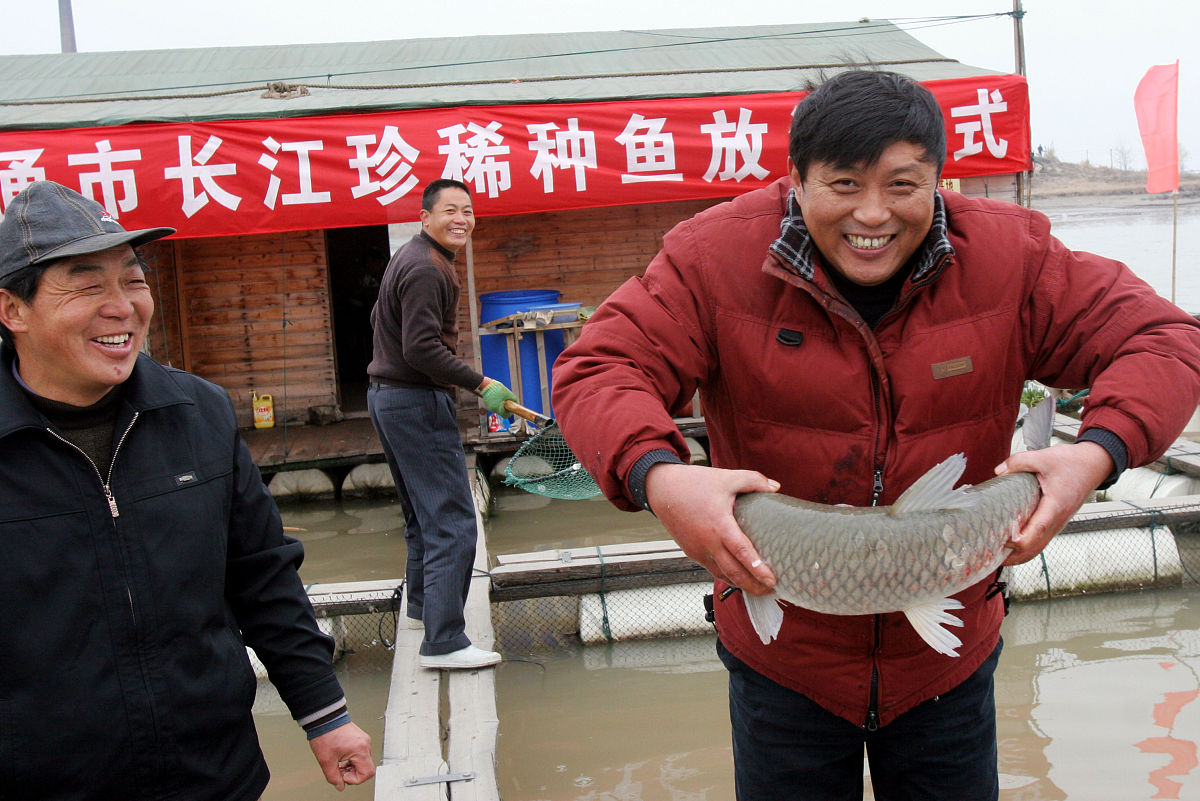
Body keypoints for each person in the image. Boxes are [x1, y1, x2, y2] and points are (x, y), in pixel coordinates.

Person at [551, 70, 1200, 800]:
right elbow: (599, 368)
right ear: (796, 178)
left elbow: (1167, 339)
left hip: (949, 657)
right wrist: (659, 475)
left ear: (938, 180)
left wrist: (1097, 454)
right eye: (844, 184)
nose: (872, 214)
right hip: (782, 662)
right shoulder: (712, 258)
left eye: (901, 185)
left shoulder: (1011, 258)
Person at [0, 180, 375, 800]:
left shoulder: (198, 412)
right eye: (88, 286)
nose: (122, 307)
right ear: (13, 310)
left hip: (215, 775)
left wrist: (324, 714)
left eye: (133, 279)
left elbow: (263, 578)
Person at [367, 177, 516, 670]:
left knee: (421, 515)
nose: (461, 219)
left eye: (467, 211)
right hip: (414, 402)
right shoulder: (428, 268)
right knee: (453, 521)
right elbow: (421, 349)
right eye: (449, 210)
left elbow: (379, 320)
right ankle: (445, 641)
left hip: (387, 397)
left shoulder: (410, 256)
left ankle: (422, 611)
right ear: (425, 217)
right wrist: (481, 383)